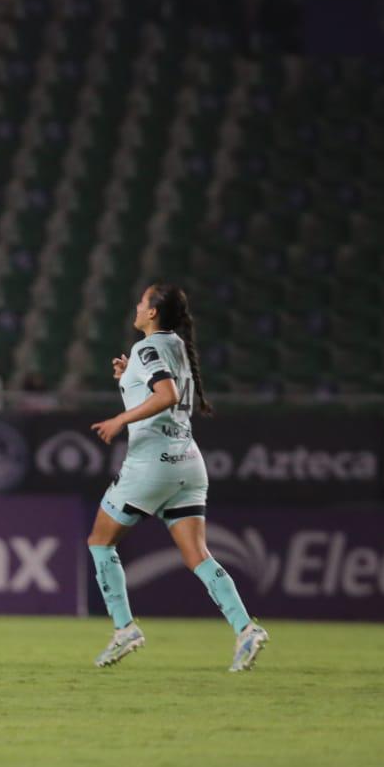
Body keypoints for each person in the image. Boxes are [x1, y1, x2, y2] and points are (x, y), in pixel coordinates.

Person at [87, 284, 268, 672]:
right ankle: (246, 628)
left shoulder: (146, 349)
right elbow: (159, 393)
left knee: (100, 542)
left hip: (152, 463)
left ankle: (124, 629)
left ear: (153, 312)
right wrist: (128, 378)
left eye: (142, 302)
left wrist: (119, 419)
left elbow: (166, 395)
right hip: (187, 460)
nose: (137, 306)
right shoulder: (175, 346)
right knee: (197, 555)